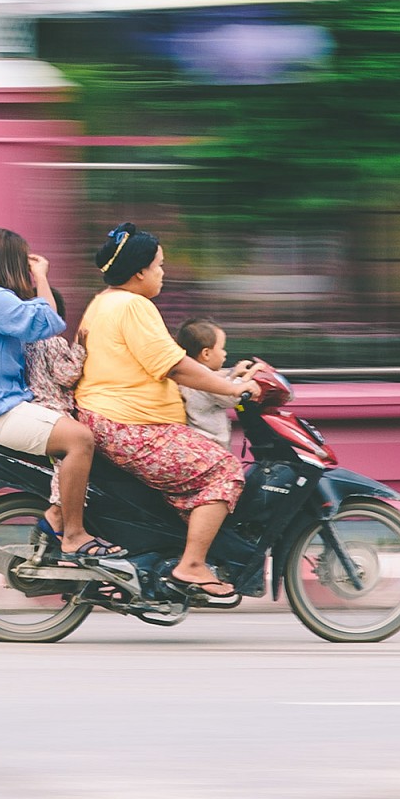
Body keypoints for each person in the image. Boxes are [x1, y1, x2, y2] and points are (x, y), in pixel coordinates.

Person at [75, 225, 260, 601]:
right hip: (130, 425)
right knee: (224, 469)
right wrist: (231, 387)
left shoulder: (103, 302)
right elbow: (174, 364)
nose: (163, 272)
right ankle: (191, 564)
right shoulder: (133, 306)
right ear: (140, 270)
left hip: (110, 419)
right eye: (159, 265)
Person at [0, 228, 114, 561]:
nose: (28, 271)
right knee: (79, 440)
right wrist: (42, 277)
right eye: (24, 262)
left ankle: (63, 520)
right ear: (10, 263)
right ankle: (73, 534)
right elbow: (49, 322)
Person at [175, 317, 247, 447]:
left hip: (199, 440)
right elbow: (231, 398)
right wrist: (247, 380)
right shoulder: (203, 379)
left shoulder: (191, 373)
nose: (225, 353)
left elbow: (221, 383)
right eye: (222, 348)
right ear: (206, 354)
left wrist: (234, 373)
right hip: (210, 443)